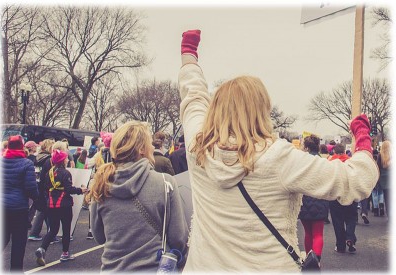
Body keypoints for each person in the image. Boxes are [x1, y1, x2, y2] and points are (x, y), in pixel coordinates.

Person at [177, 29, 378, 272]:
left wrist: (189, 56)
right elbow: (356, 181)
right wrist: (362, 135)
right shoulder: (278, 158)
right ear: (262, 110)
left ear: (216, 109)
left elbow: (193, 96)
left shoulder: (198, 148)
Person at [89, 121, 189, 272]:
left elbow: (99, 237)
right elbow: (178, 239)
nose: (153, 147)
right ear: (142, 149)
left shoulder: (102, 184)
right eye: (150, 143)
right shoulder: (165, 182)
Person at [35, 142, 88, 266]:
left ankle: (42, 248)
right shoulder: (66, 173)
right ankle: (65, 253)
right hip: (64, 204)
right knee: (66, 229)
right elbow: (69, 189)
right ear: (63, 161)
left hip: (51, 204)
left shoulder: (50, 172)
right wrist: (81, 190)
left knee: (53, 230)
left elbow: (45, 187)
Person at [2, 135, 39, 272]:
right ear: (21, 147)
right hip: (19, 207)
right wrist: (37, 199)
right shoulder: (26, 163)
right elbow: (30, 188)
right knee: (18, 242)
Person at [298, 135, 329, 264]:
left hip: (304, 199)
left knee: (308, 233)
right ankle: (316, 261)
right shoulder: (323, 162)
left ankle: (308, 260)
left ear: (306, 147)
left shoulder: (302, 162)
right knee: (318, 234)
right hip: (320, 199)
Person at [328, 144, 358, 253]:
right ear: (345, 151)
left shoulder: (330, 162)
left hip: (335, 195)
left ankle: (340, 246)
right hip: (350, 194)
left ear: (334, 152)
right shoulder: (351, 162)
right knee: (351, 218)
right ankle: (350, 237)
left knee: (337, 221)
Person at [28, 139, 55, 242]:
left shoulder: (37, 157)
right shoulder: (48, 159)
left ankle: (49, 233)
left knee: (42, 210)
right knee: (44, 210)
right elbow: (48, 175)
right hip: (44, 187)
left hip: (36, 184)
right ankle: (39, 233)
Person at [377, 140, 391, 218]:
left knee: (387, 199)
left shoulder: (380, 155)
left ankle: (390, 215)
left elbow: (378, 168)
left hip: (384, 181)